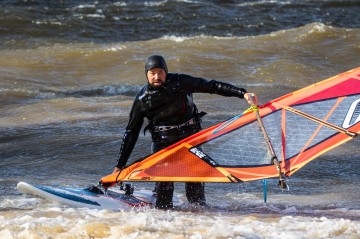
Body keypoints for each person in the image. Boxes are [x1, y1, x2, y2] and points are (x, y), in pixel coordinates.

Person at [112, 55, 258, 209]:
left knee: (196, 193)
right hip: (163, 146)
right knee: (164, 193)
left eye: (160, 72)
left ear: (166, 72)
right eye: (152, 73)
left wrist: (242, 93)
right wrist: (119, 166)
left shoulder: (181, 82)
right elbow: (131, 133)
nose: (157, 77)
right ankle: (166, 225)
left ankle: (199, 221)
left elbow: (212, 86)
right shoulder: (143, 99)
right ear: (146, 74)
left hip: (190, 140)